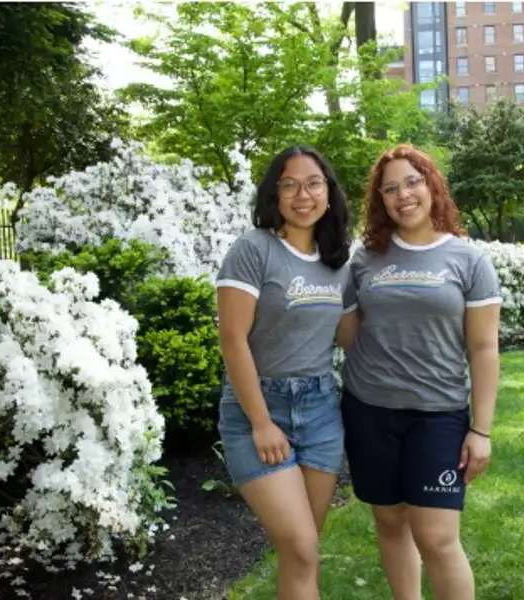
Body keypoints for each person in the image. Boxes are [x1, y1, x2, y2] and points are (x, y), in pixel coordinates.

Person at [340, 145, 501, 600]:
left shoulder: (468, 260)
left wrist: (481, 430)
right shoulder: (364, 260)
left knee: (437, 537)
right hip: (369, 411)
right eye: (390, 188)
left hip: (438, 415)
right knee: (390, 523)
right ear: (381, 201)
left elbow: (484, 348)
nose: (403, 194)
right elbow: (348, 334)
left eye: (412, 182)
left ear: (432, 186)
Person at [216, 146, 351, 600]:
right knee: (301, 544)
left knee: (302, 549)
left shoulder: (338, 263)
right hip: (259, 408)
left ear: (328, 194)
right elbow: (233, 340)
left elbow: (351, 336)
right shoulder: (253, 250)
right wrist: (260, 422)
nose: (302, 194)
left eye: (314, 183)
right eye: (289, 184)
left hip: (320, 412)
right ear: (274, 194)